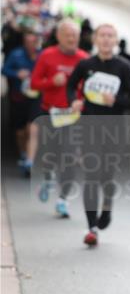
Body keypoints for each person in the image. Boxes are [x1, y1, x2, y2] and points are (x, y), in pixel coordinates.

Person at [66, 23, 130, 247]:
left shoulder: (124, 67)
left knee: (106, 176)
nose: (106, 40)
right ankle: (92, 228)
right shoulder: (86, 64)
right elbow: (70, 86)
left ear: (116, 40)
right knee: (91, 176)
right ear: (96, 40)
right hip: (89, 127)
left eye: (111, 36)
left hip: (114, 129)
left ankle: (107, 207)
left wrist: (116, 101)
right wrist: (74, 101)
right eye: (102, 36)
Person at [29, 19, 89, 218]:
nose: (72, 38)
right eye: (67, 34)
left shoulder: (84, 59)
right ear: (58, 36)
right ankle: (48, 178)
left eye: (75, 35)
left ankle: (62, 200)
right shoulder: (47, 56)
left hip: (73, 116)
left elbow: (90, 89)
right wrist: (51, 82)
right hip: (51, 114)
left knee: (70, 157)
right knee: (50, 154)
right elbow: (34, 84)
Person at [2, 29, 40, 173]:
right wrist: (17, 73)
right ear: (24, 42)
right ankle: (23, 153)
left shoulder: (42, 55)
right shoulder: (16, 54)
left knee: (32, 128)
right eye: (29, 41)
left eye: (34, 41)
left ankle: (30, 159)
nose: (32, 44)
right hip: (18, 97)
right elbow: (4, 69)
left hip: (36, 98)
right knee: (20, 132)